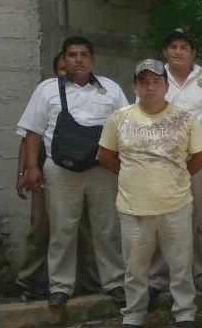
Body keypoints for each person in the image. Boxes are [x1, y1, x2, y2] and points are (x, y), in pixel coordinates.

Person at [99, 59, 202, 328]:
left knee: (181, 267)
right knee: (135, 270)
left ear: (165, 85)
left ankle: (185, 316)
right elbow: (106, 156)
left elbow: (200, 157)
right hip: (133, 207)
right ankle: (133, 319)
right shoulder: (119, 118)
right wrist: (133, 178)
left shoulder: (185, 119)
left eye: (156, 81)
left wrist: (174, 178)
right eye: (144, 82)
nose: (150, 87)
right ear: (135, 86)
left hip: (176, 205)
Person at [17, 36, 127, 311]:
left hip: (102, 171)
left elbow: (126, 128)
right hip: (60, 171)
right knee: (62, 231)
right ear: (64, 59)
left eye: (83, 54)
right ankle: (60, 287)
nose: (78, 59)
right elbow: (33, 131)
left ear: (92, 59)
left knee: (107, 229)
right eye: (72, 54)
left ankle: (114, 282)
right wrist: (31, 167)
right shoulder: (46, 90)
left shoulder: (111, 89)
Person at [148, 29, 202, 312]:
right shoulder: (155, 80)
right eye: (173, 47)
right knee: (161, 219)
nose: (178, 51)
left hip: (200, 157)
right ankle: (156, 281)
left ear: (193, 53)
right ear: (165, 52)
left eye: (184, 47)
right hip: (163, 161)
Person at [15, 53, 101, 300]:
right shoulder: (47, 95)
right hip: (44, 172)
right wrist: (24, 172)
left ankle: (88, 282)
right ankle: (29, 282)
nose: (69, 71)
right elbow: (27, 137)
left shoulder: (93, 96)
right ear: (55, 73)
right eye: (63, 69)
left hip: (82, 173)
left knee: (84, 230)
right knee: (42, 229)